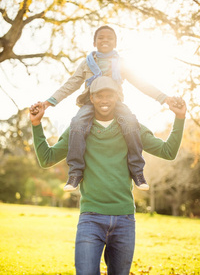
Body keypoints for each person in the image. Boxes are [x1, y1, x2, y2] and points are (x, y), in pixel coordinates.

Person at [30, 76, 186, 275]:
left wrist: (179, 118)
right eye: (99, 95)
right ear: (92, 99)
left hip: (124, 220)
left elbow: (168, 151)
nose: (105, 100)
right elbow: (47, 158)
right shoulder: (78, 130)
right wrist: (36, 124)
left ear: (118, 97)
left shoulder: (132, 128)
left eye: (110, 95)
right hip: (91, 219)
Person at [30, 25, 182, 192]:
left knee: (130, 123)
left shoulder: (121, 64)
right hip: (89, 104)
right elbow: (71, 84)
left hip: (116, 105)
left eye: (109, 38)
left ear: (115, 43)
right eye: (101, 38)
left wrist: (164, 98)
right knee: (77, 124)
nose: (105, 40)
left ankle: (137, 171)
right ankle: (75, 173)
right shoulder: (87, 64)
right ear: (94, 42)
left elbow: (141, 83)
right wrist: (48, 102)